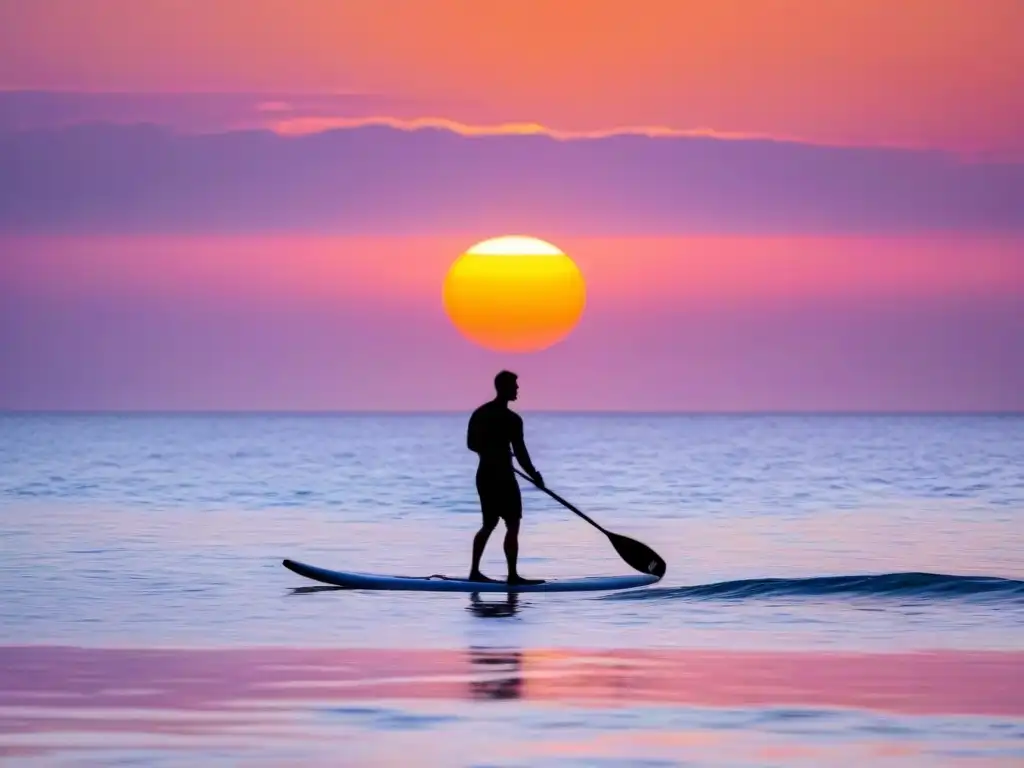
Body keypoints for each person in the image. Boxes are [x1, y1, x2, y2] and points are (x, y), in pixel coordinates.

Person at [466, 370, 545, 585]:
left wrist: (534, 475)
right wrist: (534, 474)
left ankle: (496, 573)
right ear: (504, 387)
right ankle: (497, 575)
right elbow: (473, 443)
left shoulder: (488, 414)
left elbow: (518, 453)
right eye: (514, 385)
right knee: (504, 524)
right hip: (498, 477)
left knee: (495, 524)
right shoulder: (507, 419)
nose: (518, 389)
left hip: (491, 476)